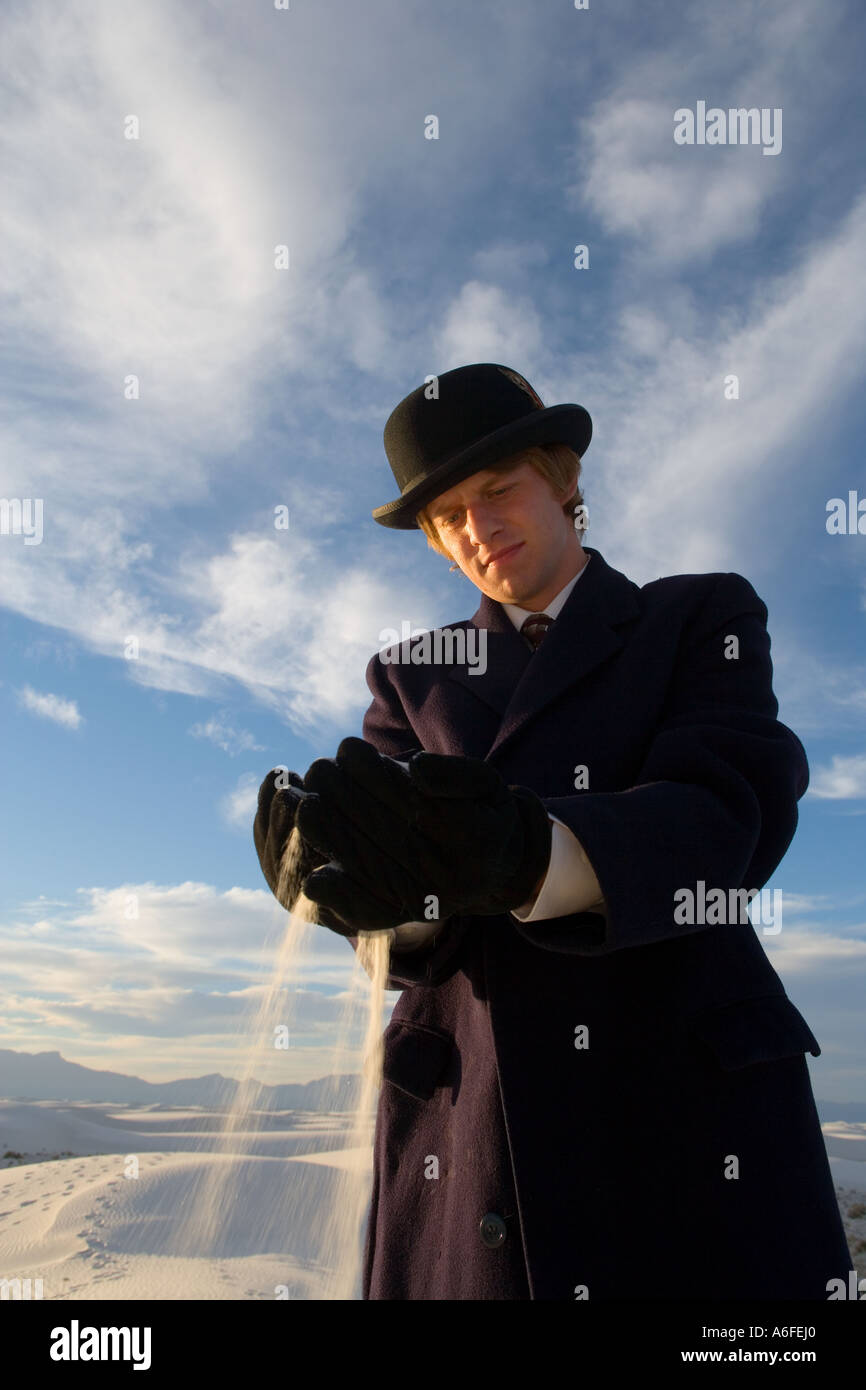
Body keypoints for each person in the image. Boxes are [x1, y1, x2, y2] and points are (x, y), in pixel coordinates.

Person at [254, 362, 853, 1301]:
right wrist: (357, 892)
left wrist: (534, 853)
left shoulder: (698, 616)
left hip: (679, 1104)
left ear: (564, 480)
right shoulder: (410, 679)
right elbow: (419, 918)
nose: (479, 530)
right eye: (448, 516)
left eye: (499, 490)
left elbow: (726, 816)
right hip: (472, 1128)